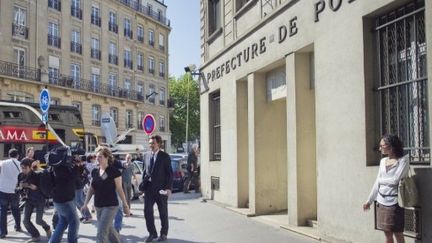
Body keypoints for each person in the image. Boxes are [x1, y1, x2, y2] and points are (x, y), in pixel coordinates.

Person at [363, 134, 409, 243]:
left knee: (398, 234)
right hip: (381, 202)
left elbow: (395, 180)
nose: (379, 148)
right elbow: (377, 182)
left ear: (391, 146)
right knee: (387, 235)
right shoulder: (383, 161)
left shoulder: (403, 161)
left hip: (395, 202)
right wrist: (369, 201)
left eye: (382, 146)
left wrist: (382, 180)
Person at [81, 146, 131, 243]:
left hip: (111, 205)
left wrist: (125, 205)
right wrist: (85, 204)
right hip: (98, 206)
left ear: (107, 157)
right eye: (96, 157)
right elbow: (91, 188)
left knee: (101, 233)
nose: (97, 159)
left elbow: (119, 189)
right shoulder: (94, 171)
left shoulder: (114, 171)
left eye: (100, 157)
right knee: (109, 230)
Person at [143, 135, 173, 242]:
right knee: (147, 211)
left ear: (159, 144)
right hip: (149, 190)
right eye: (150, 143)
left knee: (163, 212)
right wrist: (143, 189)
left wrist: (168, 188)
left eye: (153, 143)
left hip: (161, 190)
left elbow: (169, 174)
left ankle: (164, 234)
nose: (151, 145)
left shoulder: (165, 156)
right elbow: (144, 173)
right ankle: (152, 233)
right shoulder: (146, 156)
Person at [48, 149, 80, 243]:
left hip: (57, 200)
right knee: (74, 222)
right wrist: (77, 165)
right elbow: (75, 179)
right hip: (66, 200)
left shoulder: (53, 168)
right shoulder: (64, 169)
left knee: (63, 222)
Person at [19, 159, 52, 242]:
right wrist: (20, 188)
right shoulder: (21, 175)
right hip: (28, 200)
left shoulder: (37, 175)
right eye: (22, 168)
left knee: (39, 221)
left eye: (25, 168)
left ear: (30, 167)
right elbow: (19, 187)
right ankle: (35, 235)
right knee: (25, 221)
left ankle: (47, 228)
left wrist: (28, 185)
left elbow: (36, 187)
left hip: (39, 199)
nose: (23, 170)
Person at [0, 148, 22, 238]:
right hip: (14, 190)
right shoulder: (20, 164)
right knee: (15, 209)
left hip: (2, 189)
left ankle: (3, 232)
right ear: (17, 156)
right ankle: (18, 226)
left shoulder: (2, 163)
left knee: (3, 211)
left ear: (9, 155)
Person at [74, 155, 92, 224]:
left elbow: (86, 173)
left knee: (79, 201)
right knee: (77, 201)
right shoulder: (75, 165)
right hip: (76, 186)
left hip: (78, 185)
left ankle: (88, 216)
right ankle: (84, 215)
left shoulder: (81, 165)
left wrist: (80, 165)